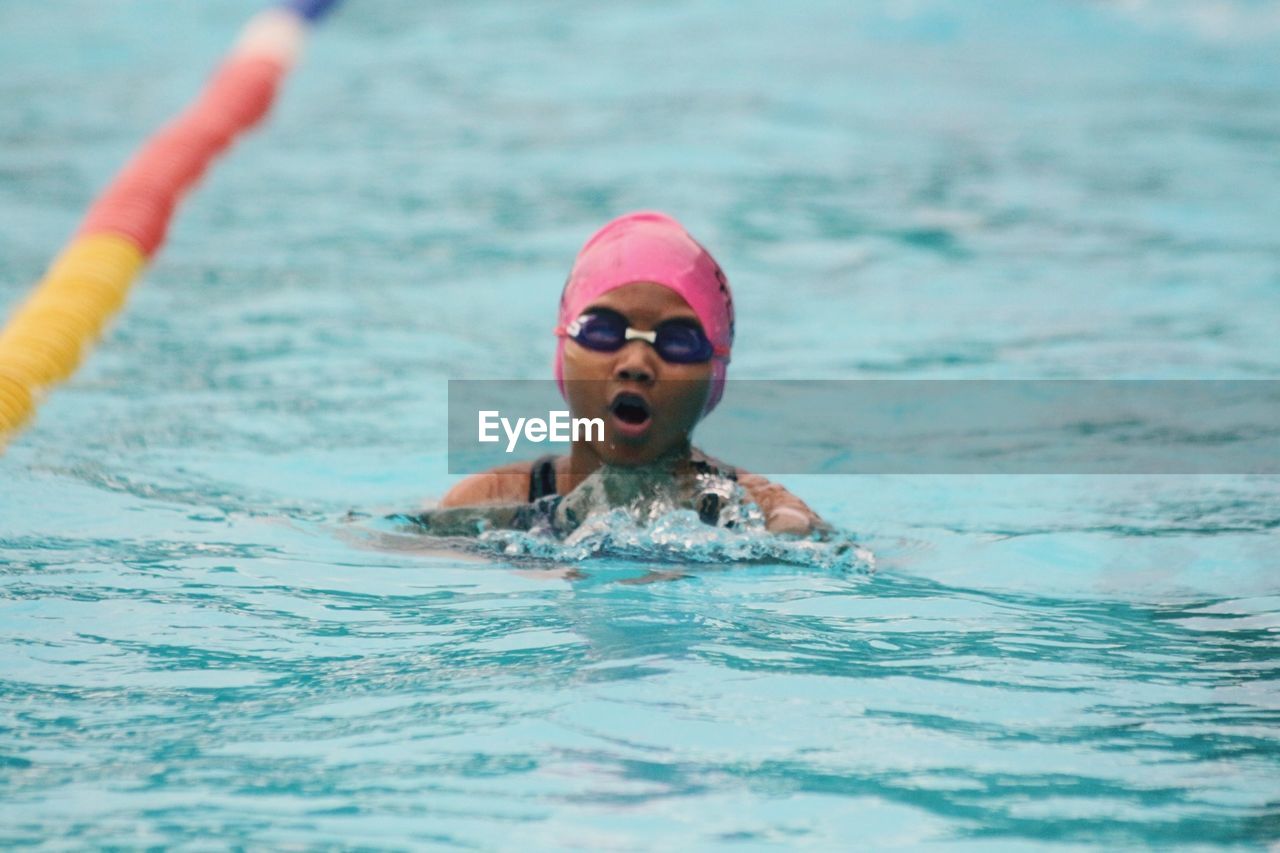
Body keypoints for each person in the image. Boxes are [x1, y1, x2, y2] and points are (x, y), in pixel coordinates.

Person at [438, 211, 825, 536]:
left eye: (676, 340)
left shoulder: (761, 512)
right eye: (604, 331)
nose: (636, 364)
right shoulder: (490, 500)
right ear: (563, 350)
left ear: (714, 374)